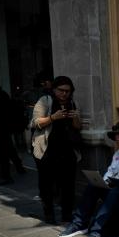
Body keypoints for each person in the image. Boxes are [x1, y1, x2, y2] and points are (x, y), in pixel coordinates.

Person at [59, 122, 119, 237]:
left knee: (115, 191)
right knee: (94, 185)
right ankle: (79, 224)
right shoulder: (117, 154)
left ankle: (98, 233)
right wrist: (102, 183)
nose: (117, 137)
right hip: (114, 187)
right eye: (115, 135)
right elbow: (110, 172)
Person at [31, 76, 82, 224]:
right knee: (46, 184)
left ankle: (66, 215)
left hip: (68, 150)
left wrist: (76, 118)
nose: (64, 94)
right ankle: (49, 215)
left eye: (68, 91)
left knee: (68, 185)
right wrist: (53, 117)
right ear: (54, 89)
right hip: (47, 150)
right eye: (61, 90)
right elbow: (35, 123)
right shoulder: (45, 101)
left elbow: (78, 128)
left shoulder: (73, 103)